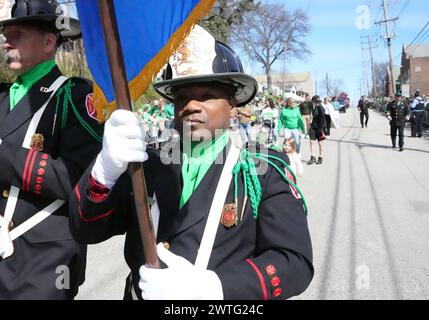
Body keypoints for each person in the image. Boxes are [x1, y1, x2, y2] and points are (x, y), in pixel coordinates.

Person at [69, 25, 313, 300]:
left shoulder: (263, 169)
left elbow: (294, 262)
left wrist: (216, 288)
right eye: (182, 97)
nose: (191, 105)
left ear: (232, 104)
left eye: (207, 95)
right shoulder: (146, 163)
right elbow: (85, 228)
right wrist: (105, 171)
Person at [0, 0, 103, 299]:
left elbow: (80, 179)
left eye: (17, 34)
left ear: (48, 41)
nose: (7, 43)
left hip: (43, 260)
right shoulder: (4, 96)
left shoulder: (75, 95)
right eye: (6, 35)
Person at [307, 95, 326, 165]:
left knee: (320, 143)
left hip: (319, 128)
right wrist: (310, 124)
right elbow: (313, 116)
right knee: (312, 142)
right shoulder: (313, 107)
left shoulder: (321, 108)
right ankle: (313, 156)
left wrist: (322, 129)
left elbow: (323, 119)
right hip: (313, 127)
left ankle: (320, 157)